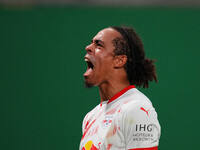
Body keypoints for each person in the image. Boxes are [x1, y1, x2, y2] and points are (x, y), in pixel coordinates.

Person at [80, 26, 161, 150]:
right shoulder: (90, 117)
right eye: (91, 43)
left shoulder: (137, 109)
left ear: (119, 60)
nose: (88, 47)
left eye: (99, 45)